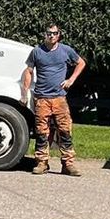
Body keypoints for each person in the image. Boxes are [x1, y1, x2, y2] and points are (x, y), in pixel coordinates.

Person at [21, 23, 85, 175]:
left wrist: (71, 80)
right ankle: (42, 163)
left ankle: (68, 164)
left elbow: (81, 63)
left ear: (59, 35)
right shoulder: (37, 52)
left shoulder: (66, 50)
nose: (51, 36)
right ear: (45, 34)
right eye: (49, 33)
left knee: (65, 131)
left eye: (54, 33)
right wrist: (24, 93)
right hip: (42, 99)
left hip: (59, 99)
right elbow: (28, 72)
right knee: (42, 132)